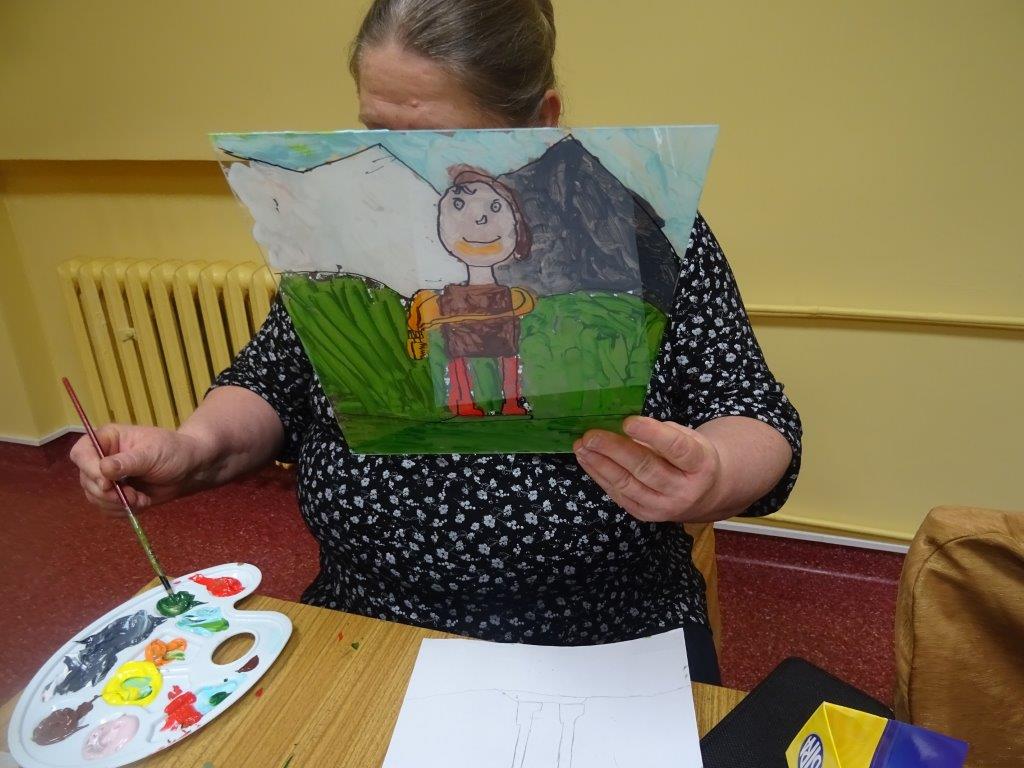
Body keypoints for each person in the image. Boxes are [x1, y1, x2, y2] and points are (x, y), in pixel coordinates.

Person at [71, 0, 802, 684]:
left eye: (439, 141)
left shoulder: (636, 232)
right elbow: (274, 380)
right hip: (367, 622)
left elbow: (756, 417)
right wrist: (194, 446)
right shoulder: (345, 236)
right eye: (374, 129)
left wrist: (713, 473)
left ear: (542, 120)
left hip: (603, 636)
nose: (399, 165)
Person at [407, 168, 536, 417]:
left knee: (508, 352)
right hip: (460, 302)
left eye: (495, 207)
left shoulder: (507, 296)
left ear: (516, 223)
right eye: (459, 205)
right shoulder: (451, 297)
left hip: (498, 299)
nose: (480, 219)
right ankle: (462, 400)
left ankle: (510, 402)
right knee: (458, 354)